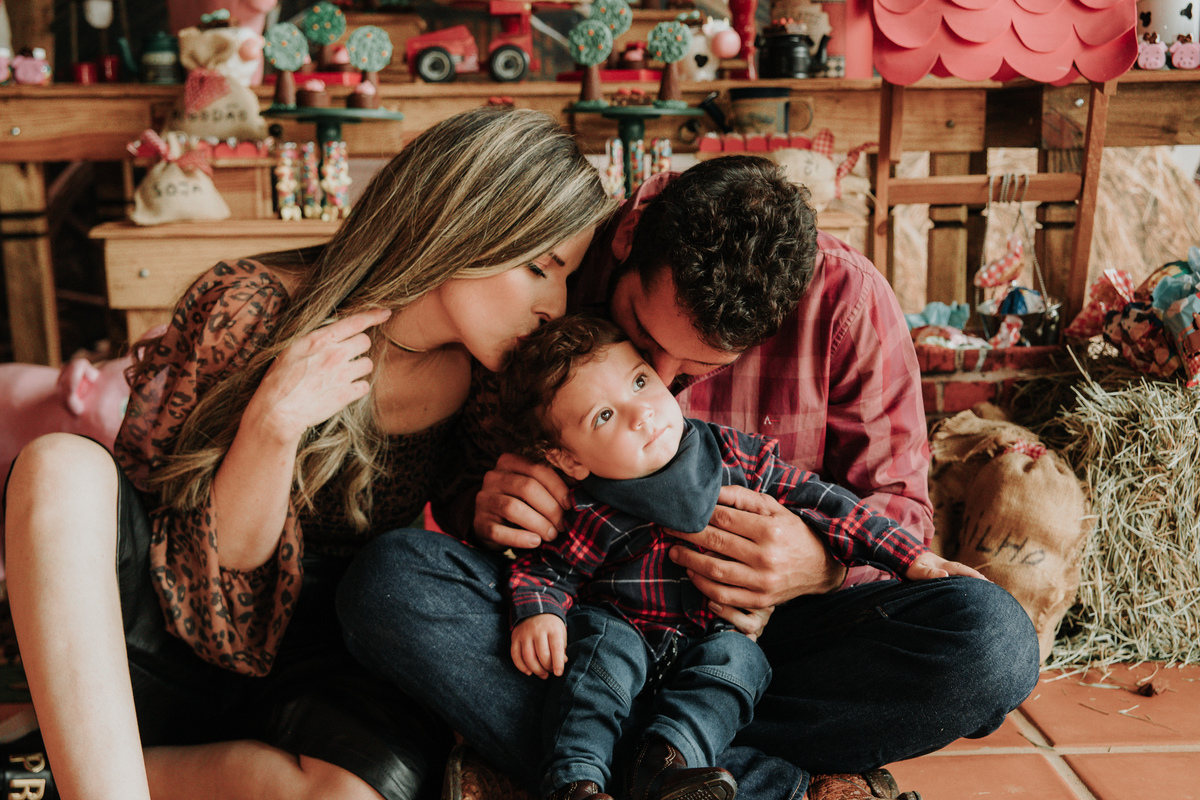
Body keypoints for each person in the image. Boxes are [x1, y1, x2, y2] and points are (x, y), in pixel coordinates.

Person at [336, 155, 1041, 800]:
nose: (663, 396)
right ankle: (755, 784)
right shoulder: (557, 274)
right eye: (643, 350)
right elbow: (466, 483)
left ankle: (603, 765)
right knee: (390, 583)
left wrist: (817, 567)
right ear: (628, 244)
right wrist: (488, 508)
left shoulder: (846, 301)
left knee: (993, 645)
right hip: (587, 633)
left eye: (700, 369)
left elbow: (900, 515)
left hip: (759, 646)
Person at [2, 105, 615, 800]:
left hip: (322, 652)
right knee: (60, 465)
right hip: (175, 620)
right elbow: (218, 568)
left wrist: (499, 507)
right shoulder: (254, 306)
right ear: (463, 222)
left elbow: (452, 552)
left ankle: (61, 767)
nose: (554, 305)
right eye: (541, 267)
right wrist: (274, 421)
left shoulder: (487, 381)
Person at [499, 315, 983, 800]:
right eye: (603, 416)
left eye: (640, 382)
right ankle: (575, 780)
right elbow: (546, 567)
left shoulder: (734, 458)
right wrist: (540, 613)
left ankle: (668, 764)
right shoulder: (586, 503)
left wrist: (908, 557)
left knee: (742, 665)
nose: (640, 414)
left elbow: (829, 505)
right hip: (625, 631)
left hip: (716, 636)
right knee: (593, 666)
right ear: (569, 458)